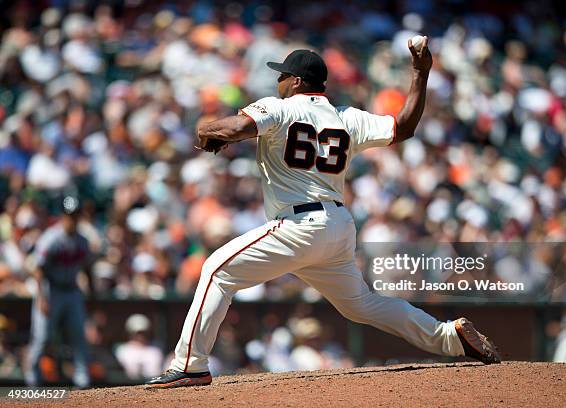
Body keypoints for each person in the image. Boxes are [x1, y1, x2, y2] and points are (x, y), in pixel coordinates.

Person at [147, 38, 501, 388]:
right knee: (361, 304)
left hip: (299, 224)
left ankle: (190, 365)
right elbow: (404, 127)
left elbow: (237, 128)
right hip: (337, 225)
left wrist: (205, 128)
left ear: (297, 81)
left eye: (283, 75)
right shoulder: (346, 116)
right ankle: (450, 337)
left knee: (216, 271)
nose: (278, 81)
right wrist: (420, 74)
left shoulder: (280, 106)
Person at [26, 196, 93, 389]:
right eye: (69, 215)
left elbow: (87, 266)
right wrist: (41, 297)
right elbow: (38, 269)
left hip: (72, 291)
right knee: (41, 338)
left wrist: (92, 292)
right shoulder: (51, 238)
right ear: (63, 216)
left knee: (79, 335)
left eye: (76, 215)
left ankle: (83, 382)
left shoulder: (82, 240)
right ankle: (33, 380)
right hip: (50, 290)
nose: (72, 219)